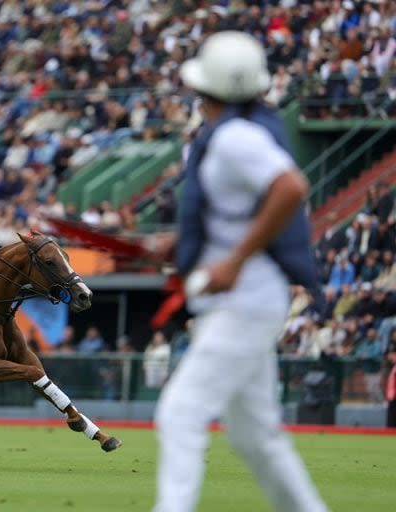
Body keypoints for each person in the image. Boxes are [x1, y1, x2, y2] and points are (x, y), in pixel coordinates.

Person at [154, 32, 328, 512]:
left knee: (181, 412)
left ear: (201, 89)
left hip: (244, 301)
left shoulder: (232, 136)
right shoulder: (242, 130)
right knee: (256, 437)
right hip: (244, 300)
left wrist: (234, 259)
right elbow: (238, 212)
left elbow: (292, 187)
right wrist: (180, 244)